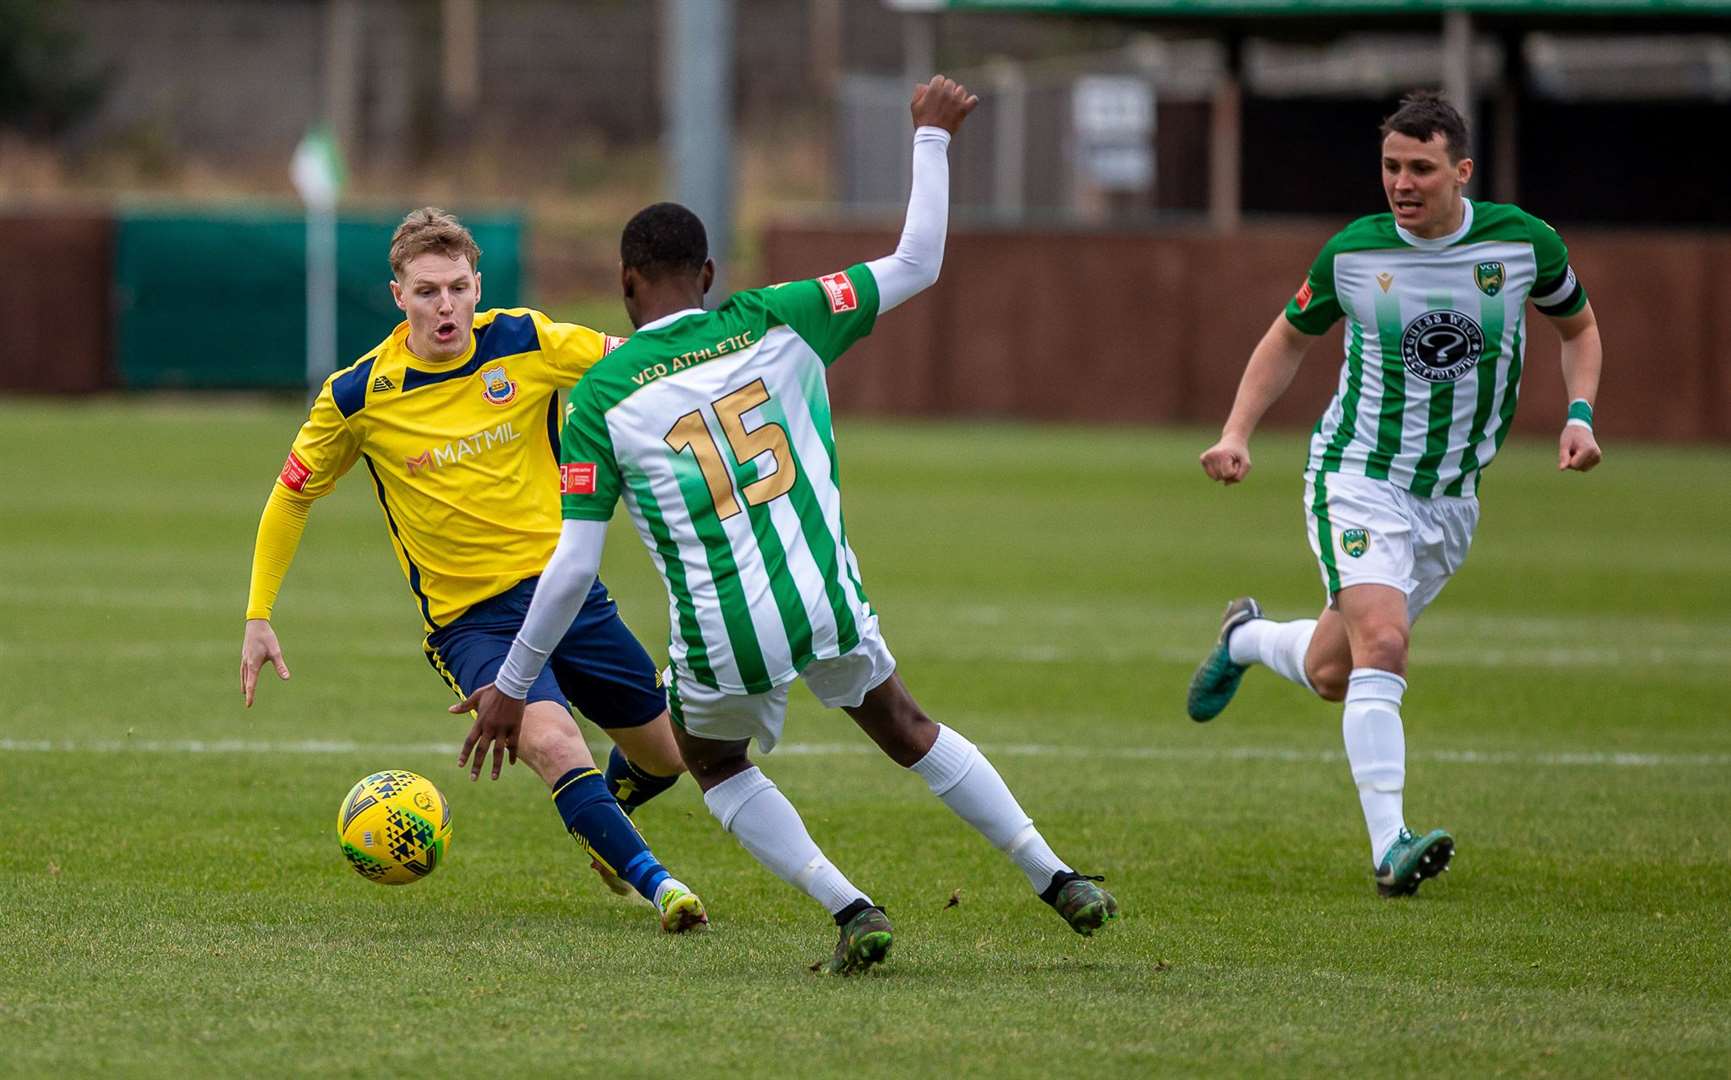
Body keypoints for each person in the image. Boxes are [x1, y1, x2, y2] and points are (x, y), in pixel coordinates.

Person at [449, 76, 1119, 974]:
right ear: (711, 276)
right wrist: (929, 137)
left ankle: (851, 908)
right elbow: (918, 261)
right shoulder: (781, 315)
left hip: (723, 632)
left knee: (713, 763)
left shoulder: (601, 397)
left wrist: (513, 683)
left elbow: (570, 568)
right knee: (906, 726)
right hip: (825, 597)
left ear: (624, 284)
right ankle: (1057, 876)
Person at [239, 207, 707, 932]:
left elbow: (638, 357)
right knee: (554, 742)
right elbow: (290, 496)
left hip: (566, 595)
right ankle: (662, 885)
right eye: (426, 291)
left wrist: (723, 366)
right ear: (397, 295)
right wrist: (258, 614)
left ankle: (607, 824)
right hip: (473, 625)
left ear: (477, 285)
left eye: (458, 287)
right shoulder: (358, 395)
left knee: (671, 755)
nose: (445, 305)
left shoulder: (525, 339)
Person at [1189, 91, 1604, 897]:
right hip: (1357, 477)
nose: (1401, 183)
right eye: (1389, 166)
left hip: (1450, 502)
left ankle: (1243, 639)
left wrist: (1580, 415)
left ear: (1461, 171)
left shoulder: (1522, 244)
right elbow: (1285, 340)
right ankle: (1391, 849)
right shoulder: (1351, 255)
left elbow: (1578, 329)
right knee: (1384, 644)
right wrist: (1236, 431)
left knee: (1332, 672)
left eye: (1419, 167)